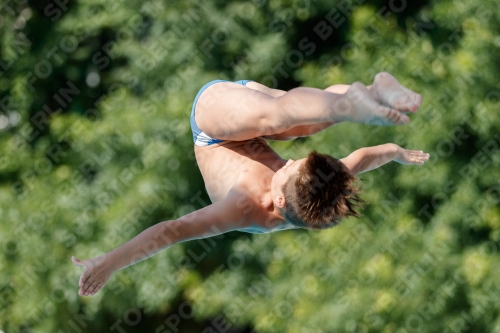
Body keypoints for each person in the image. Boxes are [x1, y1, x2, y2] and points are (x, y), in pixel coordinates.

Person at [72, 72, 429, 296]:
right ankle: (372, 92)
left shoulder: (242, 208)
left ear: (276, 200)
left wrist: (111, 262)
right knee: (306, 125)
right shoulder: (316, 189)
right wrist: (393, 150)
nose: (288, 161)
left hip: (213, 124)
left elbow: (173, 230)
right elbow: (363, 157)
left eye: (287, 169)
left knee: (278, 120)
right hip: (255, 115)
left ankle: (352, 102)